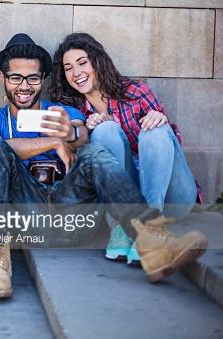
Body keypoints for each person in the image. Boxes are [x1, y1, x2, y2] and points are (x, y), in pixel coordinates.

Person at [0, 33, 208, 300]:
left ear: (43, 79)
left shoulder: (64, 111)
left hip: (72, 214)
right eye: (16, 77)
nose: (24, 86)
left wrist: (71, 135)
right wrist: (54, 142)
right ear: (2, 79)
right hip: (27, 218)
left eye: (33, 78)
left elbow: (82, 135)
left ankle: (153, 242)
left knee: (94, 149)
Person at [49, 32, 199, 264]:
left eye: (82, 63)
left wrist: (159, 120)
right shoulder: (78, 112)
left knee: (156, 128)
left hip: (171, 195)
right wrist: (89, 132)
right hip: (125, 201)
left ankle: (150, 228)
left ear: (97, 61)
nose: (76, 72)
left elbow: (170, 147)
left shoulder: (135, 92)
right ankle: (120, 228)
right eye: (68, 68)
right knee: (105, 131)